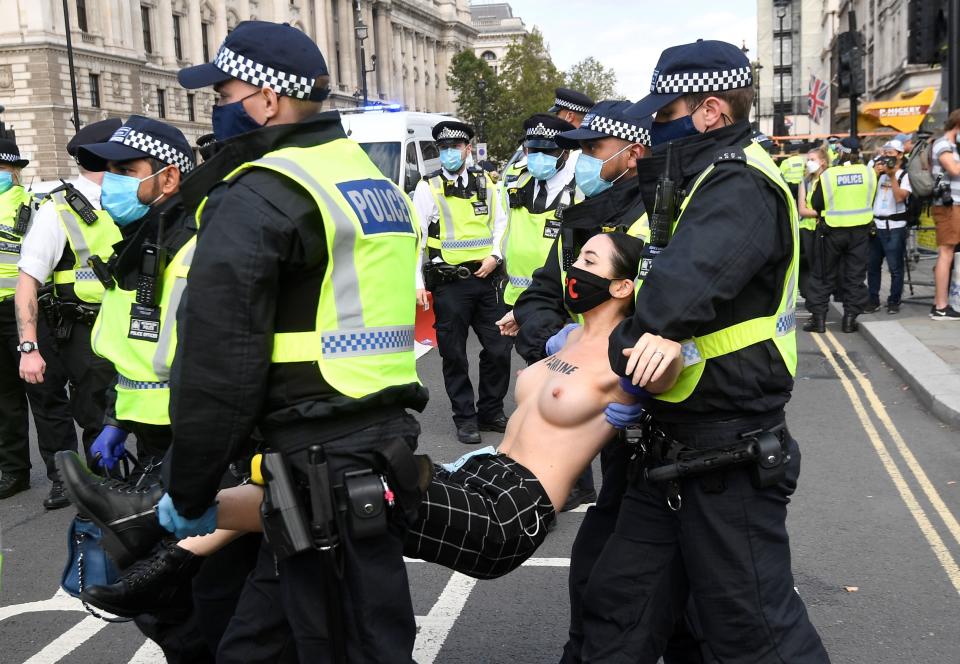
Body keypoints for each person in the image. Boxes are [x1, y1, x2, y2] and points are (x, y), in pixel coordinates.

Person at [59, 232, 682, 596]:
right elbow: (543, 334)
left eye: (590, 264)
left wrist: (661, 365)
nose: (574, 270)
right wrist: (531, 321)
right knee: (312, 477)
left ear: (624, 287)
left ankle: (144, 519)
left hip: (512, 512)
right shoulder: (560, 340)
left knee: (340, 488)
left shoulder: (627, 353)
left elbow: (677, 365)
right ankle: (158, 554)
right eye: (576, 259)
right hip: (480, 475)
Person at [168, 20, 427, 663]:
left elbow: (220, 362)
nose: (218, 107)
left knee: (346, 645)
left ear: (266, 99)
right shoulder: (368, 180)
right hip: (377, 439)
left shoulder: (263, 193)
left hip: (316, 459)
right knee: (279, 643)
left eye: (224, 93)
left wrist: (191, 487)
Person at [590, 40, 829, 663]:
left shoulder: (738, 186)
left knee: (754, 634)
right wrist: (634, 336)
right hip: (669, 444)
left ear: (712, 111)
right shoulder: (697, 181)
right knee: (620, 610)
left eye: (664, 114)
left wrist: (628, 336)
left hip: (727, 454)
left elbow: (665, 302)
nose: (652, 128)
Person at [16, 118, 124, 484]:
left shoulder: (133, 199)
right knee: (97, 418)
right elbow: (27, 281)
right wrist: (29, 346)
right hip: (85, 331)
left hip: (134, 328)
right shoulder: (57, 210)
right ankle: (104, 501)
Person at [414, 120, 512, 444]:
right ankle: (466, 418)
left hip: (488, 279)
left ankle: (490, 410)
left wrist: (495, 256)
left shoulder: (487, 182)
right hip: (450, 283)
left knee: (499, 348)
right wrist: (417, 282)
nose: (449, 153)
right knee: (454, 354)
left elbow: (501, 224)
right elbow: (418, 238)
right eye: (443, 149)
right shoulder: (428, 187)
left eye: (455, 147)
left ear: (468, 149)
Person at [0, 139, 76, 504]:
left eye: (4, 170)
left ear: (13, 170)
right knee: (3, 398)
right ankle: (13, 471)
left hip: (26, 310)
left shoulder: (35, 205)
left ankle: (64, 474)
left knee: (44, 394)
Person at [500, 113, 579, 308]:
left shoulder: (580, 189)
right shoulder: (514, 183)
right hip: (514, 296)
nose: (539, 157)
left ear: (565, 152)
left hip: (557, 302)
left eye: (548, 151)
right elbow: (502, 224)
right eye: (534, 150)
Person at [803, 136, 877, 333]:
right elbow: (872, 198)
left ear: (841, 152)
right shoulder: (869, 173)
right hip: (860, 232)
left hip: (832, 232)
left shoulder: (829, 175)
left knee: (823, 276)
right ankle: (849, 320)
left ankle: (818, 320)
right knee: (854, 276)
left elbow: (817, 204)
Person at [502, 87, 594, 183]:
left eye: (557, 113)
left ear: (570, 116)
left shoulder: (580, 155)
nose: (554, 119)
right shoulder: (590, 147)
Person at [866, 139, 911, 314]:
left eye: (890, 154)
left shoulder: (903, 175)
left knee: (895, 268)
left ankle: (894, 301)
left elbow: (900, 197)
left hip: (895, 226)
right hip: (876, 225)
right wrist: (874, 174)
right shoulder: (877, 173)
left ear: (900, 155)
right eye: (884, 153)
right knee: (873, 266)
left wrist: (892, 176)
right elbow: (867, 192)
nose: (886, 158)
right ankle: (873, 299)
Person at [929, 108, 960, 319]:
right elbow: (954, 170)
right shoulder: (943, 144)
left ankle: (941, 302)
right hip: (949, 206)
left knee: (948, 253)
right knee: (946, 252)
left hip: (954, 205)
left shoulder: (952, 145)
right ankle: (940, 306)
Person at [797, 146, 829, 300]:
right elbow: (802, 210)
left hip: (825, 229)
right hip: (807, 230)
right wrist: (821, 213)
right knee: (807, 269)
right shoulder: (806, 181)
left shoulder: (829, 179)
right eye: (808, 160)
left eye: (812, 160)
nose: (809, 163)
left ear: (823, 162)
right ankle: (812, 301)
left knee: (822, 269)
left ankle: (819, 303)